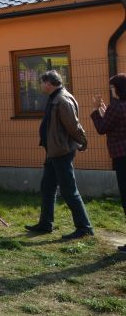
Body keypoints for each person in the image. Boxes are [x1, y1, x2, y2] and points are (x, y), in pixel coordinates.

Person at [25, 70, 93, 240]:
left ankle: (84, 227)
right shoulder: (55, 98)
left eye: (42, 82)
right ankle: (45, 223)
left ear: (48, 83)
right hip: (53, 151)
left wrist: (83, 142)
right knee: (47, 187)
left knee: (69, 190)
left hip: (61, 151)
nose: (40, 86)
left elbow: (73, 125)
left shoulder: (62, 100)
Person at [90, 73, 126, 252]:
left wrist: (96, 110)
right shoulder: (119, 107)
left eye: (112, 87)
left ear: (117, 88)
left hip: (122, 156)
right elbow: (116, 124)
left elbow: (102, 128)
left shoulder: (116, 107)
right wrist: (105, 112)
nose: (110, 90)